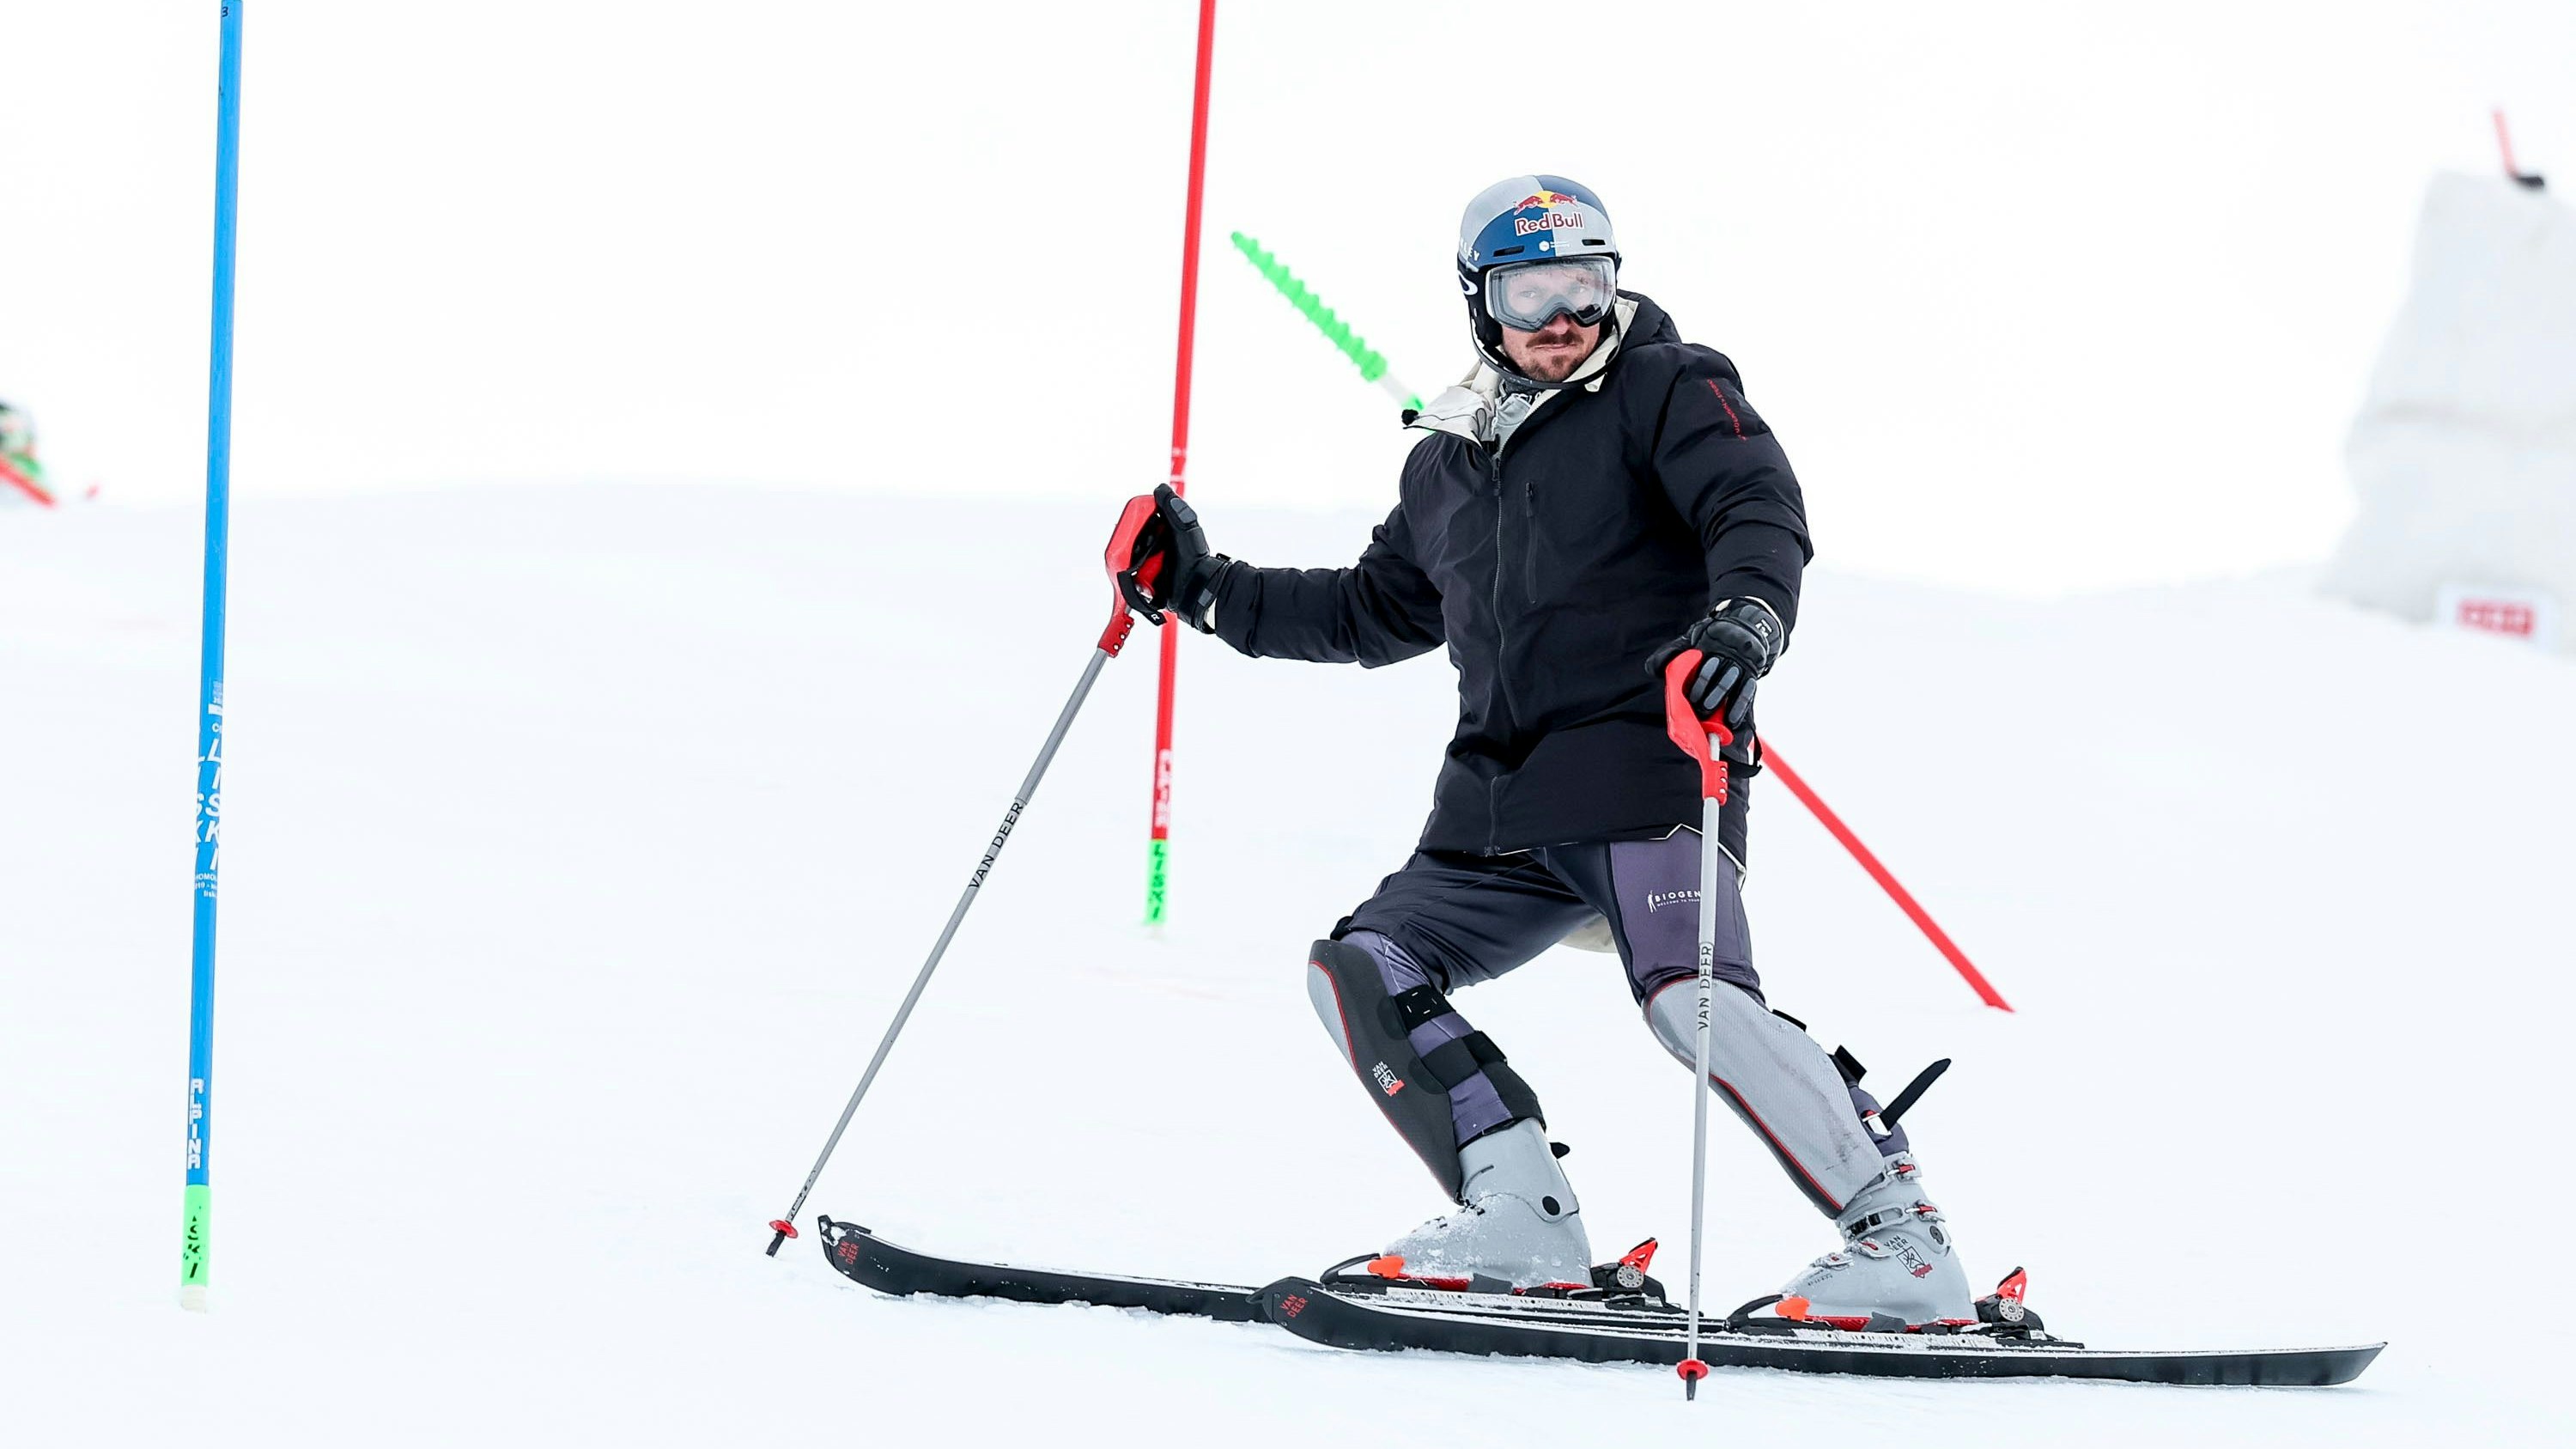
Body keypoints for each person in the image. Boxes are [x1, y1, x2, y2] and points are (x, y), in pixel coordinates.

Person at [1130, 176, 1972, 1323]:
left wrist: (1747, 619)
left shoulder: (1667, 389)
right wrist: (1200, 591)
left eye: (1585, 283)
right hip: (1498, 807)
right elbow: (1371, 612)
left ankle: (1904, 1247)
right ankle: (1520, 1224)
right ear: (1483, 302)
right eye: (1532, 291)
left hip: (1650, 768)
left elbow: (1754, 506)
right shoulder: (1444, 463)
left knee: (1697, 1001)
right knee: (1362, 970)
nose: (1563, 315)